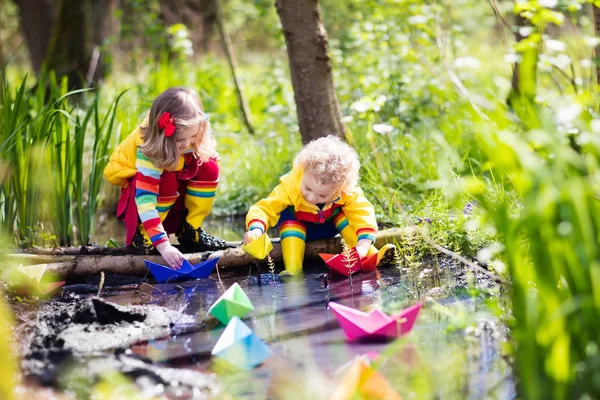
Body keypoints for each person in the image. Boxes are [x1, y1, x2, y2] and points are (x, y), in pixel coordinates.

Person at [104, 87, 228, 269]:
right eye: (179, 140)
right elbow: (145, 203)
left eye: (192, 136)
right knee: (167, 179)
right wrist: (164, 246)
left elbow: (192, 145)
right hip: (140, 197)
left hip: (173, 182)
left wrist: (201, 150)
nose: (186, 144)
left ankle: (190, 230)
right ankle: (145, 238)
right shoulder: (150, 151)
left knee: (208, 165)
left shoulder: (189, 134)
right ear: (164, 136)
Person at [243, 135, 396, 275]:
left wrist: (363, 243)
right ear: (302, 170)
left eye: (322, 195)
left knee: (347, 217)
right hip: (299, 227)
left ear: (340, 189)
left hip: (330, 225)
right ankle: (293, 269)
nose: (310, 197)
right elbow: (264, 209)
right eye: (308, 188)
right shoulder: (290, 187)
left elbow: (362, 212)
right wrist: (256, 230)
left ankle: (371, 255)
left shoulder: (345, 192)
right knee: (290, 223)